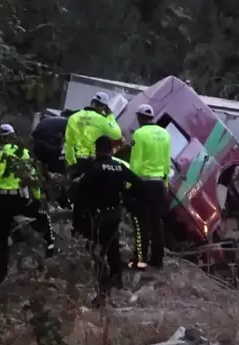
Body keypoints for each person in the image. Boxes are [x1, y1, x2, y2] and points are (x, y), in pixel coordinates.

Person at [0, 124, 58, 284]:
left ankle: (0, 275)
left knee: (1, 238)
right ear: (12, 137)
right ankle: (50, 245)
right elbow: (31, 179)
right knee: (41, 215)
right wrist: (37, 197)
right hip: (17, 199)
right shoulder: (21, 153)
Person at [76, 136, 142, 305]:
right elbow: (137, 182)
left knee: (95, 250)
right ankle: (117, 280)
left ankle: (103, 290)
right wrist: (125, 195)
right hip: (114, 213)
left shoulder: (94, 168)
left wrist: (77, 222)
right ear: (111, 149)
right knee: (113, 246)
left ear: (97, 149)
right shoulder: (118, 167)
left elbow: (80, 195)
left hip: (97, 216)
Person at [64, 92, 122, 237]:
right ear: (102, 107)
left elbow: (68, 143)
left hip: (77, 162)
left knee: (79, 199)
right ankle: (91, 232)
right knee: (93, 198)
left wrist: (71, 164)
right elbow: (117, 134)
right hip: (92, 163)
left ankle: (77, 230)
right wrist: (110, 116)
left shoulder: (73, 117)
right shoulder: (102, 119)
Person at [129, 104, 171, 269]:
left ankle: (140, 260)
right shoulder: (165, 133)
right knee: (156, 223)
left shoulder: (139, 134)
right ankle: (157, 259)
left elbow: (136, 163)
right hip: (159, 184)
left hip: (143, 184)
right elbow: (166, 163)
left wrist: (130, 184)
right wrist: (165, 184)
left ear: (140, 117)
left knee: (141, 224)